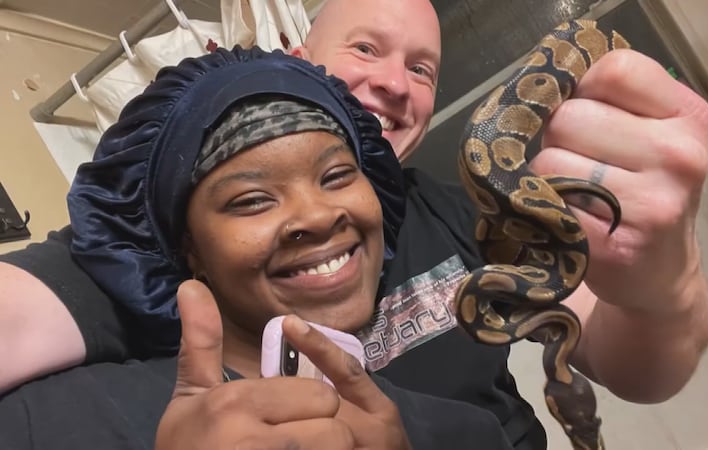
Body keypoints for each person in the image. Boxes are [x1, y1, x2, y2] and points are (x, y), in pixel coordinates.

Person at [0, 0, 708, 447]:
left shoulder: (470, 206)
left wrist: (666, 283)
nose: (397, 83)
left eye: (425, 69)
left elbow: (640, 368)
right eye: (366, 48)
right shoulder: (155, 248)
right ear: (300, 62)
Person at [0, 46, 515, 450]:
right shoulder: (53, 420)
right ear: (189, 250)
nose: (317, 215)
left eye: (337, 175)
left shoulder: (469, 433)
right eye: (250, 200)